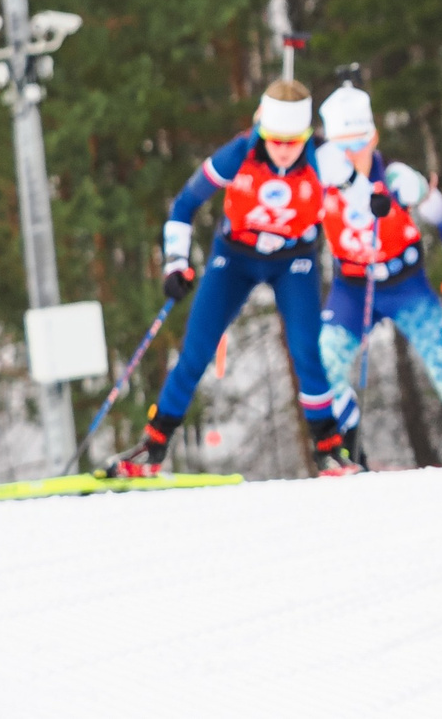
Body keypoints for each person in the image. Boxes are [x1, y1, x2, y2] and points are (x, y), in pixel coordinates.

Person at [105, 79, 356, 478]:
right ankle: (153, 446)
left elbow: (360, 189)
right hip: (236, 257)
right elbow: (184, 206)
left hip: (294, 260)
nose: (286, 150)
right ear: (263, 132)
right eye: (276, 140)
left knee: (307, 350)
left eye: (295, 141)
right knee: (196, 350)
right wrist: (175, 264)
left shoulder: (324, 157)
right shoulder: (237, 154)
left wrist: (374, 201)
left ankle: (329, 449)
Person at [314, 77, 442, 467]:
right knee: (323, 362)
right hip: (352, 286)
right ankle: (351, 448)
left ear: (374, 137)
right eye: (342, 147)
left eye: (360, 142)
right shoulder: (321, 182)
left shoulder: (397, 179)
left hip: (406, 285)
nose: (353, 154)